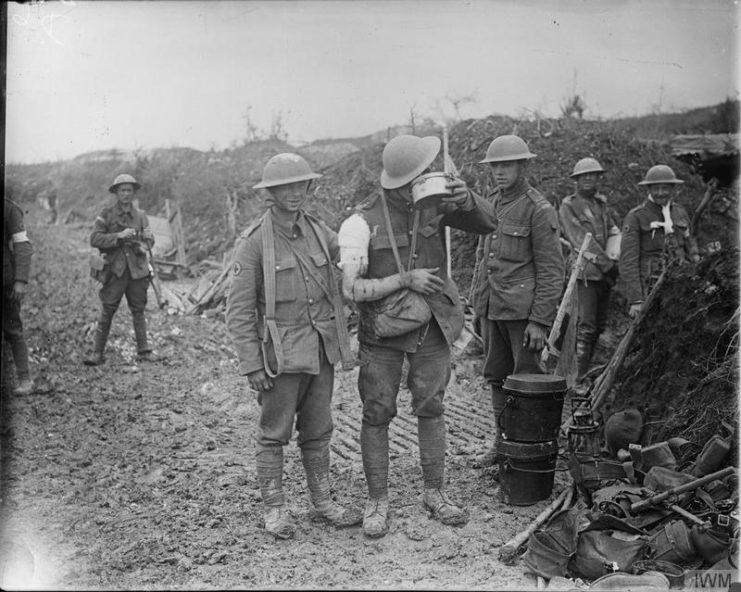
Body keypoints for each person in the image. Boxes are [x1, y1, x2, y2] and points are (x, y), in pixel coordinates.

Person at [338, 134, 496, 538]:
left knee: (432, 406)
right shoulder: (360, 222)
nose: (431, 176)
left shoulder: (435, 205)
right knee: (377, 411)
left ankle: (434, 493)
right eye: (423, 172)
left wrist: (465, 199)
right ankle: (377, 499)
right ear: (403, 181)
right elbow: (350, 289)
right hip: (383, 332)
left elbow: (489, 223)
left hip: (432, 326)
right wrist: (404, 279)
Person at [226, 153, 360, 540]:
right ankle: (275, 509)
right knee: (274, 433)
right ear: (270, 193)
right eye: (285, 186)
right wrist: (252, 365)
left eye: (300, 185)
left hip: (321, 350)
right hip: (280, 356)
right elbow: (237, 312)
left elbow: (349, 258)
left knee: (319, 429)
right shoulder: (254, 244)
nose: (294, 193)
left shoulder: (320, 232)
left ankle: (322, 502)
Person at [470, 135, 565, 467]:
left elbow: (553, 270)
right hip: (493, 308)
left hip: (523, 315)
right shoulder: (491, 204)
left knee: (526, 380)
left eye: (507, 165)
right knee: (497, 376)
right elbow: (484, 259)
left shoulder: (539, 210)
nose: (499, 172)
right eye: (495, 166)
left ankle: (528, 451)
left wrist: (540, 321)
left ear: (523, 166)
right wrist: (476, 305)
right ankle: (503, 444)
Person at [558, 157, 622, 382]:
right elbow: (579, 240)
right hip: (585, 273)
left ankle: (581, 371)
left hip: (604, 274)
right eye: (584, 176)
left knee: (599, 325)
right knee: (585, 325)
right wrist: (607, 265)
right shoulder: (569, 205)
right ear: (576, 180)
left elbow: (614, 231)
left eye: (593, 176)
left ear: (598, 179)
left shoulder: (601, 205)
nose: (588, 179)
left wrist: (614, 261)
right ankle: (575, 376)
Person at [84, 174, 157, 366]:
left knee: (138, 310)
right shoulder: (106, 214)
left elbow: (149, 242)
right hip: (115, 270)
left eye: (129, 190)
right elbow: (95, 239)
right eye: (122, 190)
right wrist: (119, 236)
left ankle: (144, 350)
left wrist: (148, 239)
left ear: (134, 193)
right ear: (116, 193)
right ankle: (97, 352)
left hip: (137, 270)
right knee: (107, 310)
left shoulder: (141, 216)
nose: (126, 194)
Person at [620, 164, 699, 319]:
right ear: (648, 189)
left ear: (672, 189)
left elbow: (690, 246)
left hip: (679, 285)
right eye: (656, 188)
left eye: (665, 188)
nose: (660, 193)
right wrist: (636, 299)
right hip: (649, 287)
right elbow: (628, 261)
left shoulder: (680, 212)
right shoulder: (637, 216)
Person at [3, 197, 34, 395]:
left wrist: (20, 280)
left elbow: (22, 246)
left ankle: (25, 379)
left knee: (13, 330)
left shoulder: (10, 209)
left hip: (4, 280)